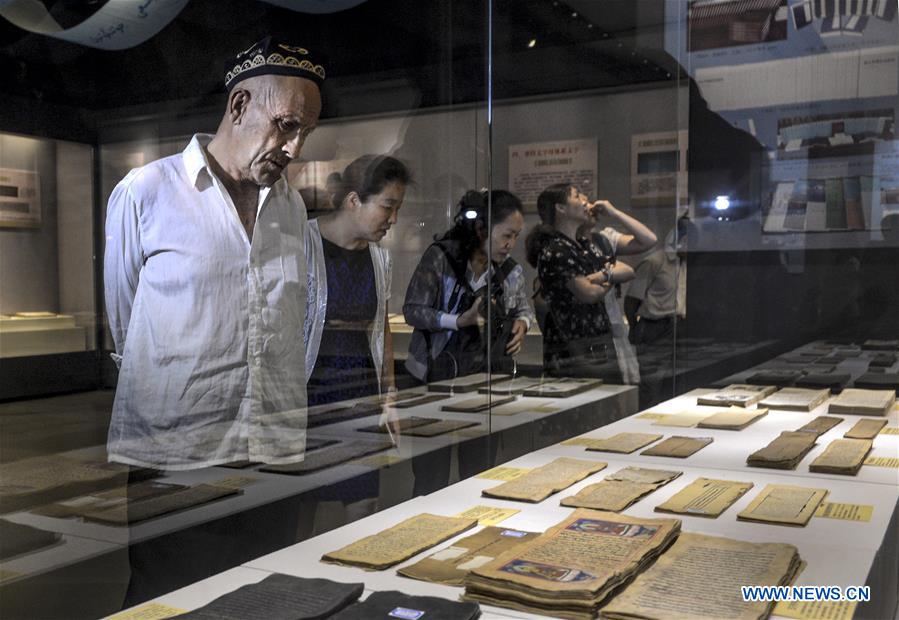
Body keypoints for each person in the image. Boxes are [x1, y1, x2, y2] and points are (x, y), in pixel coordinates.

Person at [103, 37, 325, 470]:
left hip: (270, 448)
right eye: (286, 125)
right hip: (176, 450)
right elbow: (125, 319)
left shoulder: (290, 204)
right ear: (239, 105)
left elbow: (300, 315)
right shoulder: (147, 191)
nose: (295, 148)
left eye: (305, 133)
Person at [305, 154, 410, 407]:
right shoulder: (303, 244)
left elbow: (381, 329)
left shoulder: (379, 259)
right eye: (387, 206)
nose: (393, 219)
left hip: (361, 393)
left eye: (398, 209)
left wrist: (389, 394)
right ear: (353, 200)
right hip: (310, 396)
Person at [404, 189, 536, 382]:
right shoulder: (441, 258)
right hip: (433, 373)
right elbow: (412, 310)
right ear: (480, 228)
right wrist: (458, 321)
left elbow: (523, 309)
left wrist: (523, 323)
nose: (511, 244)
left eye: (516, 236)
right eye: (506, 235)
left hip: (486, 374)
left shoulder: (509, 270)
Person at [525, 184, 648, 382]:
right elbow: (588, 294)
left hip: (598, 343)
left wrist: (601, 277)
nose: (585, 202)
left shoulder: (584, 245)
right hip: (573, 349)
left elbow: (627, 271)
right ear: (561, 208)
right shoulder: (555, 249)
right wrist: (607, 276)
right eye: (576, 196)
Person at [578, 200, 657, 384]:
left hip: (612, 324)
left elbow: (649, 240)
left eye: (588, 201)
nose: (589, 206)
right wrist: (611, 273)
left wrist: (614, 212)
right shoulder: (566, 247)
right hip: (586, 329)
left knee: (621, 384)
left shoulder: (603, 239)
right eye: (581, 201)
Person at [625, 216, 689, 348]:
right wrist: (633, 327)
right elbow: (631, 300)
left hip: (679, 327)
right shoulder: (654, 262)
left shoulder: (687, 265)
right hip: (653, 328)